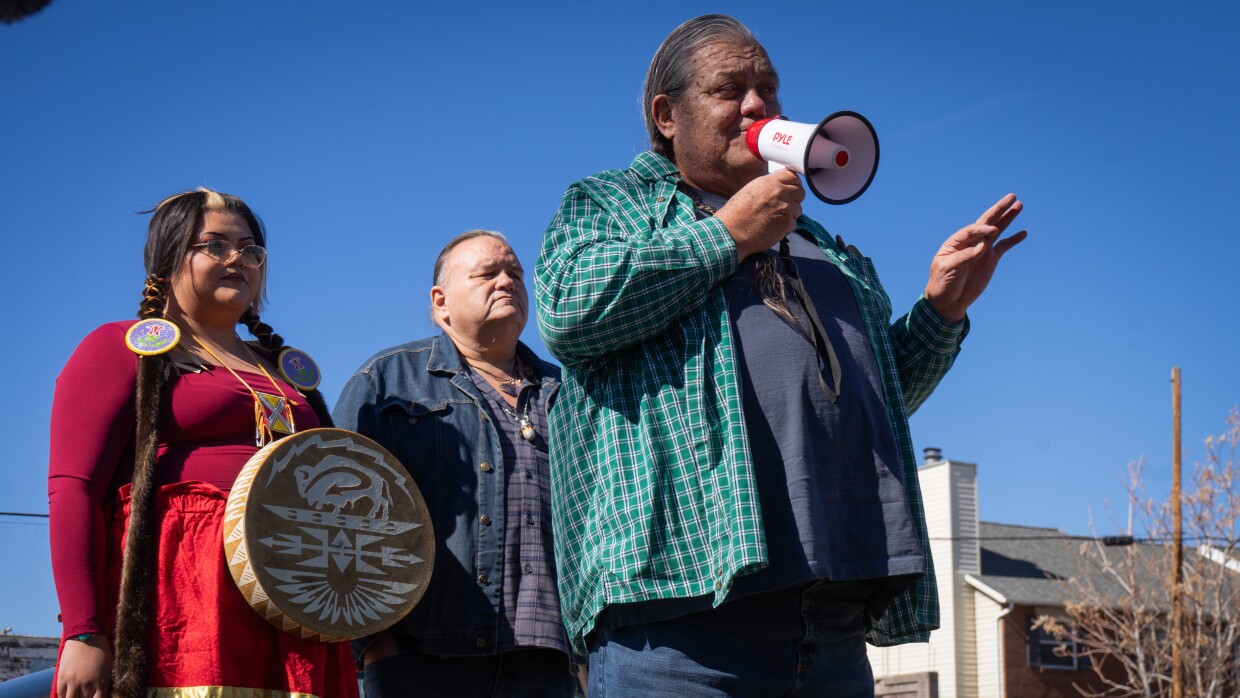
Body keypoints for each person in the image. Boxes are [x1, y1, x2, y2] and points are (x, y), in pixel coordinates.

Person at [535, 14, 1028, 697]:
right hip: (682, 622)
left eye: (768, 87)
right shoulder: (611, 205)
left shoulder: (820, 238)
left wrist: (941, 311)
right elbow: (570, 313)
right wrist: (727, 236)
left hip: (832, 620)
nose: (758, 105)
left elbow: (875, 405)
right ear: (666, 115)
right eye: (729, 88)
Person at [48, 189, 358, 698]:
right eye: (214, 245)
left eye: (250, 249)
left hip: (297, 604)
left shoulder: (284, 371)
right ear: (168, 258)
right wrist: (83, 631)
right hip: (184, 609)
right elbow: (73, 487)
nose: (237, 258)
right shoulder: (119, 347)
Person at [333, 230, 576, 697]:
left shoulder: (567, 391)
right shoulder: (387, 381)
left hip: (548, 663)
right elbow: (338, 517)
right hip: (421, 658)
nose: (506, 282)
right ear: (441, 302)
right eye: (487, 274)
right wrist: (375, 645)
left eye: (516, 274)